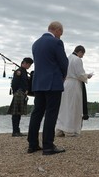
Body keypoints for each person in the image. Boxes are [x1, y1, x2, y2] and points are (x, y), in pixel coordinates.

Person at [27, 21, 68, 155]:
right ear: (56, 30)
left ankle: (32, 144)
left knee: (37, 113)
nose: (60, 36)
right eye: (60, 33)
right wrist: (63, 76)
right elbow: (63, 63)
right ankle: (48, 146)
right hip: (53, 82)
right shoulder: (56, 42)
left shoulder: (36, 43)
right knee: (51, 113)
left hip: (38, 83)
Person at [55, 45, 92, 137]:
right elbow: (80, 74)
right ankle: (70, 130)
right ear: (80, 52)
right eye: (82, 54)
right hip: (74, 84)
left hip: (65, 83)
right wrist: (87, 76)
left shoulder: (67, 58)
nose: (82, 56)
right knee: (73, 107)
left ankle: (59, 129)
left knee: (63, 107)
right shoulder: (77, 60)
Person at [7, 57, 33, 137]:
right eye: (28, 64)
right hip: (19, 93)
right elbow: (14, 83)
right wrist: (16, 92)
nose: (29, 66)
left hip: (22, 93)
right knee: (16, 113)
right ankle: (15, 131)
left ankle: (17, 130)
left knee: (19, 113)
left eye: (30, 65)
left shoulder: (24, 72)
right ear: (24, 63)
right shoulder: (19, 71)